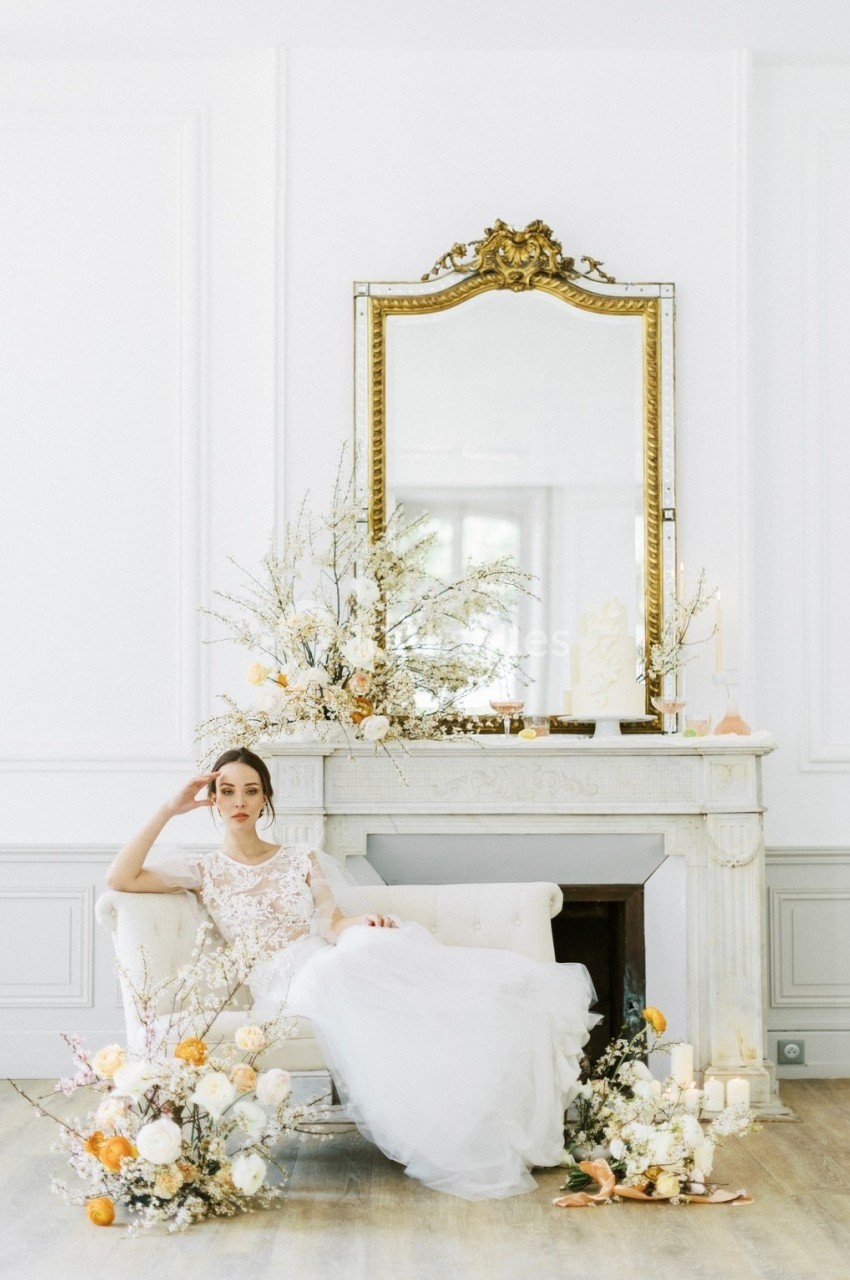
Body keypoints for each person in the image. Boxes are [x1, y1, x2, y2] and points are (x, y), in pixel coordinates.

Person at [106, 746, 598, 1201]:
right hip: (283, 985)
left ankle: (484, 1020)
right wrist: (170, 808)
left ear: (266, 798)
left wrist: (360, 923)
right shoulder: (204, 871)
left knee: (366, 945)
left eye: (251, 790)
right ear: (212, 800)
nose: (239, 801)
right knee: (333, 972)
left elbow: (330, 923)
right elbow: (121, 878)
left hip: (323, 956)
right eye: (227, 791)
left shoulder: (300, 859)